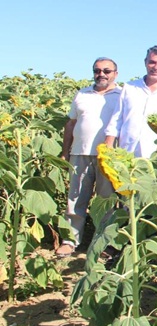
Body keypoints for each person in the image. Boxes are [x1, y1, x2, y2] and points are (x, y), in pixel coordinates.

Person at [55, 58, 122, 257]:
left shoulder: (122, 95)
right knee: (75, 199)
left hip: (107, 157)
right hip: (79, 152)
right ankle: (70, 240)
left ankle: (105, 243)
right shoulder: (82, 93)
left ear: (115, 74)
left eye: (107, 70)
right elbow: (71, 124)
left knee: (106, 202)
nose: (102, 74)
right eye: (97, 70)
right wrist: (65, 150)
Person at [104, 45, 157, 158]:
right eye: (152, 62)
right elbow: (116, 120)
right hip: (127, 151)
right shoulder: (130, 87)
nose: (156, 67)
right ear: (145, 62)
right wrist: (108, 146)